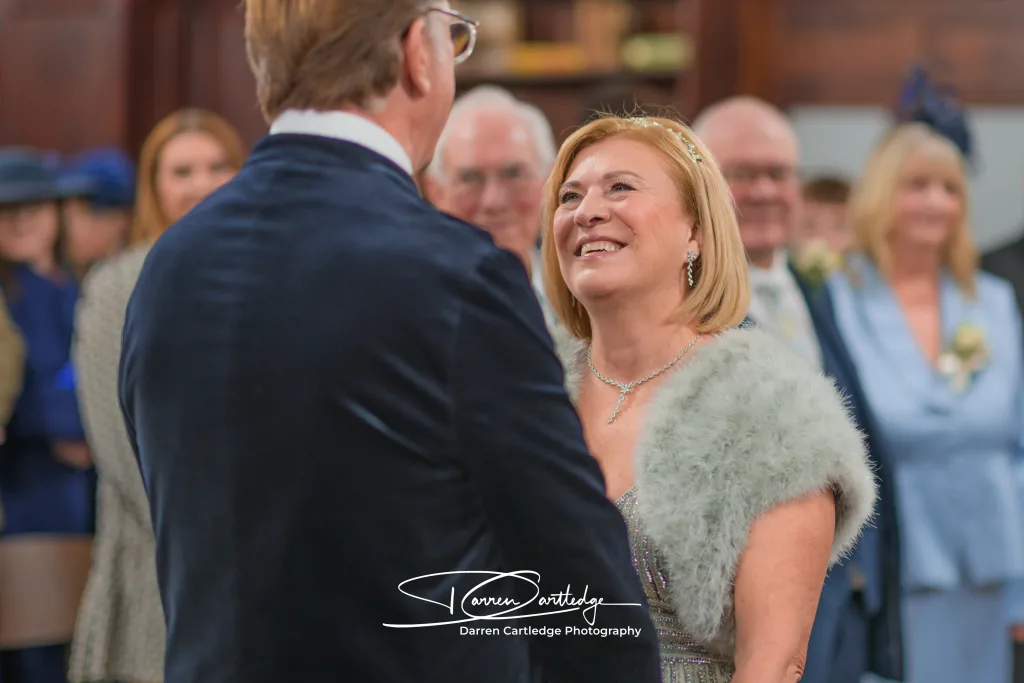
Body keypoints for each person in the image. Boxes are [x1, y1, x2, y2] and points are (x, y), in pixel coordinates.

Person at [117, 3, 661, 683]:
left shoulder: (167, 268)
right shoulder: (455, 274)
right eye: (452, 40)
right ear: (416, 54)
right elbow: (585, 591)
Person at [542, 114, 876, 683]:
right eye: (570, 195)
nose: (587, 210)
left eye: (620, 187)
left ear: (695, 231)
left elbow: (772, 664)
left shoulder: (773, 414)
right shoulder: (527, 385)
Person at [693, 96, 904, 683]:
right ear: (702, 185)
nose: (764, 190)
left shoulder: (819, 292)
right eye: (743, 173)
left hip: (851, 622)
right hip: (757, 633)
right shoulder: (689, 319)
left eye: (779, 173)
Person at [829, 122, 1024, 683]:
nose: (936, 203)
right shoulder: (840, 299)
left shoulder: (993, 300)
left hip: (993, 565)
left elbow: (1018, 444)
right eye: (917, 185)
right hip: (891, 565)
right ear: (880, 194)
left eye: (950, 188)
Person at [70, 109, 245, 683]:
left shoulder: (261, 273)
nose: (202, 183)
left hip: (261, 565)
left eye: (218, 166)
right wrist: (213, 541)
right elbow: (118, 446)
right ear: (154, 186)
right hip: (157, 561)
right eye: (182, 170)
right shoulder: (116, 284)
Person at [0, 148, 95, 683]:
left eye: (35, 204)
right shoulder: (8, 298)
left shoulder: (76, 288)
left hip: (76, 497)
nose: (21, 218)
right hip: (19, 494)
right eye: (7, 208)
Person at [425, 85, 555, 293]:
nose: (493, 202)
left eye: (514, 174)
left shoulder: (583, 303)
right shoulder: (412, 306)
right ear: (436, 192)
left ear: (548, 182)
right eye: (470, 179)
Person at [61, 148, 137, 279]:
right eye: (68, 213)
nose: (69, 226)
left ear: (121, 221)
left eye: (83, 213)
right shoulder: (61, 280)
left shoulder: (133, 281)